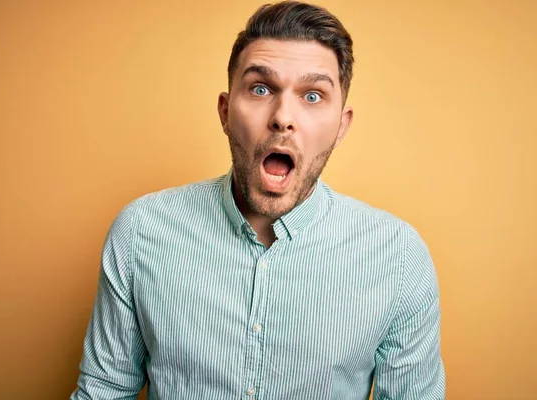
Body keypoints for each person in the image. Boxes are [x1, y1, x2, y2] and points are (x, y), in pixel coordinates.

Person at [70, 1, 446, 399]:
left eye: (313, 95)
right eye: (260, 88)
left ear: (341, 126)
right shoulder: (140, 232)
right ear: (226, 111)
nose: (283, 116)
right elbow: (103, 392)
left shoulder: (399, 257)